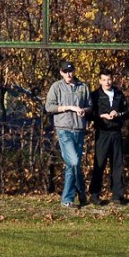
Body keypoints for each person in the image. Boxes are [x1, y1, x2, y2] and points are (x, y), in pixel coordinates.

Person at [45, 60, 91, 208]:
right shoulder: (56, 87)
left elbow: (90, 105)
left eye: (70, 71)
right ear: (61, 72)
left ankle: (76, 195)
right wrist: (68, 107)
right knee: (74, 162)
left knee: (72, 165)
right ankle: (71, 196)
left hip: (79, 129)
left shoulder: (83, 87)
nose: (68, 74)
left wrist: (85, 110)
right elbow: (49, 107)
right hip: (64, 129)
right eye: (65, 71)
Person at [88, 69, 129, 205]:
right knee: (99, 164)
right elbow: (89, 114)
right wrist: (101, 116)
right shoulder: (95, 95)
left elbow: (128, 112)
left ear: (113, 80)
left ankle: (117, 195)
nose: (107, 82)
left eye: (109, 79)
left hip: (116, 133)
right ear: (100, 81)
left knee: (117, 165)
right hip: (102, 133)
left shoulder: (119, 94)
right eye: (104, 80)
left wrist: (118, 114)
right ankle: (94, 195)